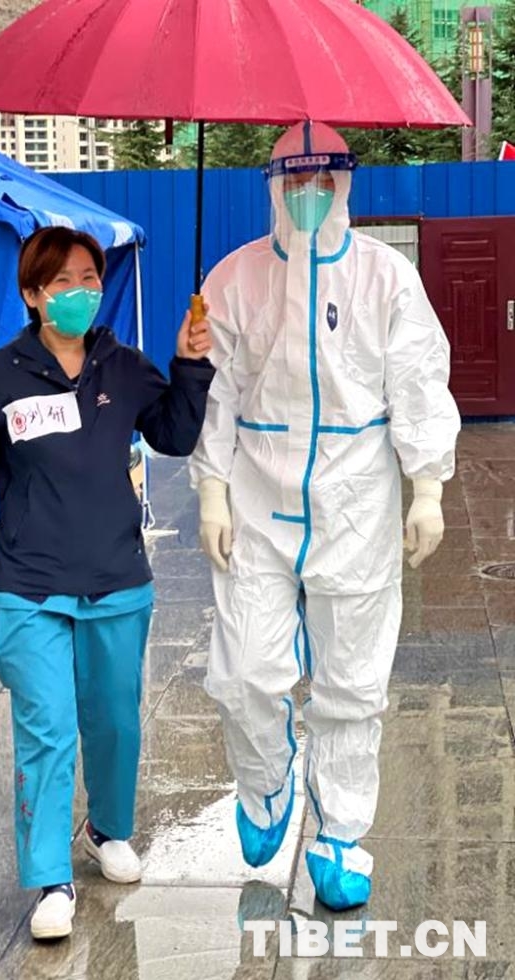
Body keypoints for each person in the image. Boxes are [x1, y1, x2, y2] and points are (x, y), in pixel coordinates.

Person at [189, 121, 460, 911]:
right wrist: (210, 489)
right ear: (273, 186)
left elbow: (417, 380)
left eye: (322, 181)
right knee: (244, 671)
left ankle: (340, 833)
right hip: (257, 492)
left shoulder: (385, 277)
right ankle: (266, 783)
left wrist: (427, 486)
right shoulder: (233, 278)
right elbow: (215, 393)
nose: (307, 195)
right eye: (293, 181)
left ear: (343, 183)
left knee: (352, 678)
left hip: (353, 497)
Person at [0, 226, 214, 939]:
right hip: (27, 584)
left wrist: (189, 365)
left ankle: (106, 831)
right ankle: (50, 878)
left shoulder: (122, 367)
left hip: (115, 576)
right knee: (48, 727)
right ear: (32, 295)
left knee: (115, 721)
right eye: (62, 282)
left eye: (89, 278)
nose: (80, 293)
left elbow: (175, 435)